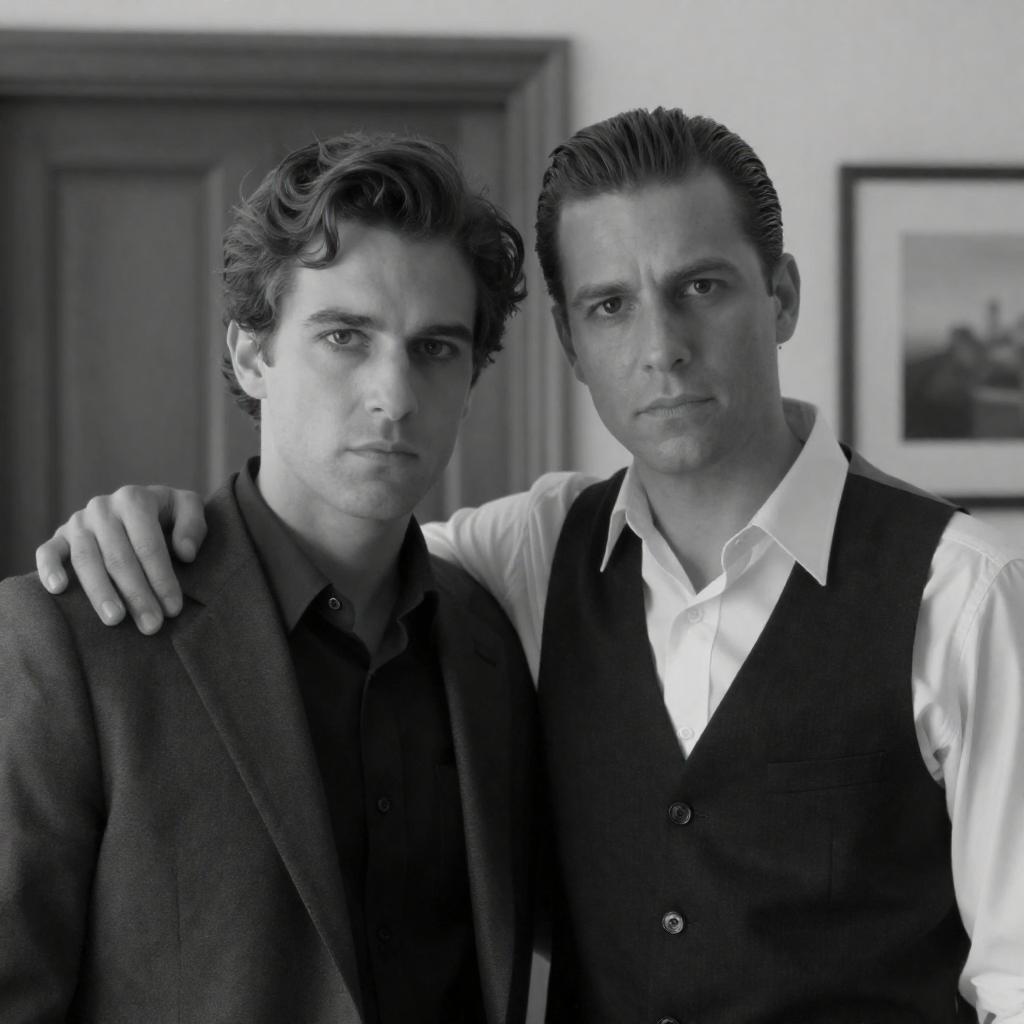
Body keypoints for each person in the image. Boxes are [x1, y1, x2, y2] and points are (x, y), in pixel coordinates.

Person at [33, 108, 1024, 1022]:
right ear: (570, 340)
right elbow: (315, 555)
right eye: (609, 304)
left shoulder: (962, 592)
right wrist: (148, 521)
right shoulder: (534, 554)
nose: (662, 349)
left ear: (783, 296)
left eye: (701, 286)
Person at [0, 132, 540, 1024]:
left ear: (472, 381)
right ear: (254, 356)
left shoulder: (493, 640)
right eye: (344, 337)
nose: (395, 395)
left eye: (436, 348)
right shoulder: (72, 637)